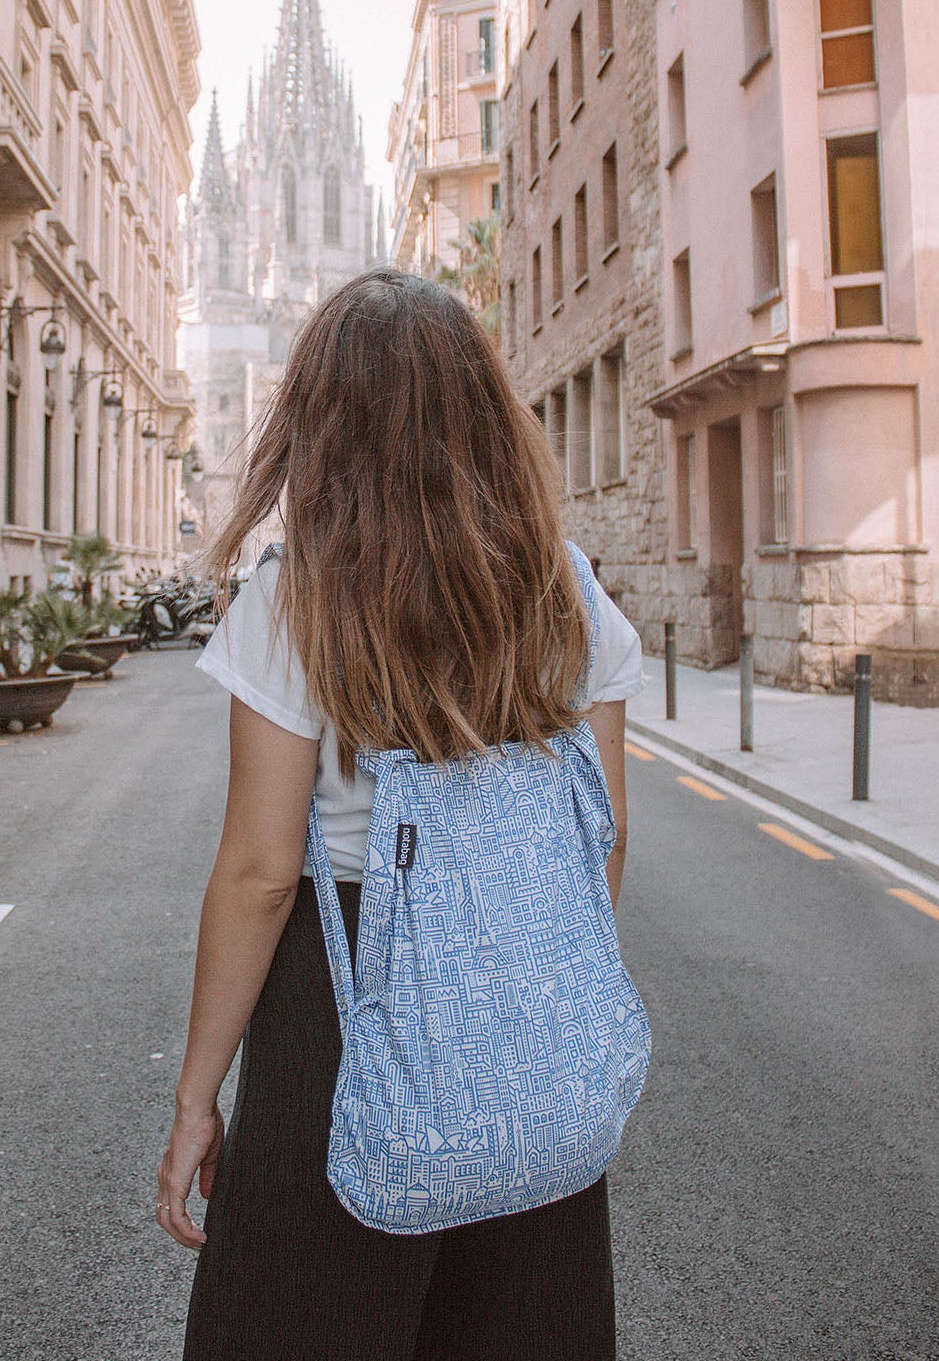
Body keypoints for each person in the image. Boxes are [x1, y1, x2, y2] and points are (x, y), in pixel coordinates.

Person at [156, 268, 648, 1360]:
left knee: (311, 1315)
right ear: (486, 412)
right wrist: (532, 983)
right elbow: (598, 834)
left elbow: (261, 873)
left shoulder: (297, 601)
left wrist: (198, 1094)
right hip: (527, 988)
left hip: (341, 1008)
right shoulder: (564, 590)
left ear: (320, 424)